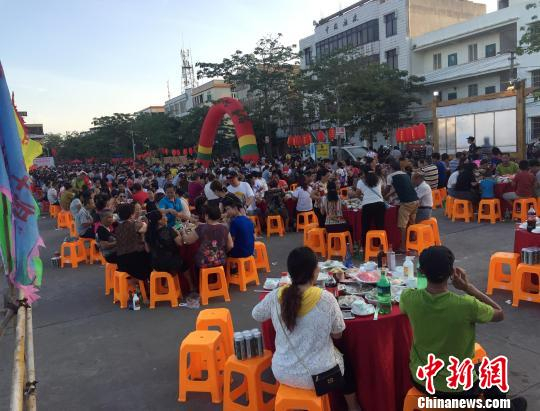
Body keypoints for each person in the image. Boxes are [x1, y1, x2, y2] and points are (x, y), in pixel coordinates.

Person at [400, 246, 526, 410]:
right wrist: (468, 287)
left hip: (421, 380)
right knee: (490, 372)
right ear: (452, 273)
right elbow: (499, 313)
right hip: (459, 388)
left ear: (421, 272)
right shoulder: (466, 305)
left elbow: (413, 300)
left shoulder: (409, 298)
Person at [252, 247, 361, 411]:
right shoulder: (326, 299)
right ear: (315, 272)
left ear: (290, 272)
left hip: (283, 371)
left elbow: (257, 315)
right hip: (320, 375)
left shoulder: (276, 296)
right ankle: (353, 407)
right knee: (346, 362)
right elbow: (338, 334)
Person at [144, 210, 194, 293]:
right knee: (185, 266)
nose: (166, 218)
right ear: (159, 221)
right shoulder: (168, 230)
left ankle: (167, 284)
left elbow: (147, 250)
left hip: (156, 264)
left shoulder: (148, 233)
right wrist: (181, 232)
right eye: (164, 216)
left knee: (171, 262)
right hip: (170, 262)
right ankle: (191, 287)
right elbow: (180, 243)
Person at [182, 205, 233, 269]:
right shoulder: (225, 227)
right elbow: (230, 245)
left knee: (191, 259)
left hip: (204, 262)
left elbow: (187, 241)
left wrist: (183, 232)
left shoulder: (201, 228)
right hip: (221, 261)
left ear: (206, 216)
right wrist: (222, 251)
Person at [384, 159, 419, 252]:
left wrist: (383, 195)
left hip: (406, 202)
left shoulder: (390, 176)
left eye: (388, 167)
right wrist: (389, 195)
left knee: (402, 226)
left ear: (391, 168)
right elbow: (400, 187)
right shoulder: (405, 174)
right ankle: (413, 243)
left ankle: (403, 247)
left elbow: (387, 189)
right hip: (415, 200)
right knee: (412, 223)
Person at [115, 203, 152, 281]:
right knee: (152, 257)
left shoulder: (117, 227)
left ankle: (141, 284)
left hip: (121, 262)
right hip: (134, 262)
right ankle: (151, 284)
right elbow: (146, 228)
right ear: (132, 214)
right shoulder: (135, 224)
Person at [356, 166, 385, 245]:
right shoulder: (379, 179)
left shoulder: (360, 182)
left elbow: (357, 194)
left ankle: (365, 246)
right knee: (380, 226)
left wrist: (364, 196)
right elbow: (382, 190)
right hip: (380, 204)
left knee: (365, 227)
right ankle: (381, 246)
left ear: (364, 173)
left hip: (367, 205)